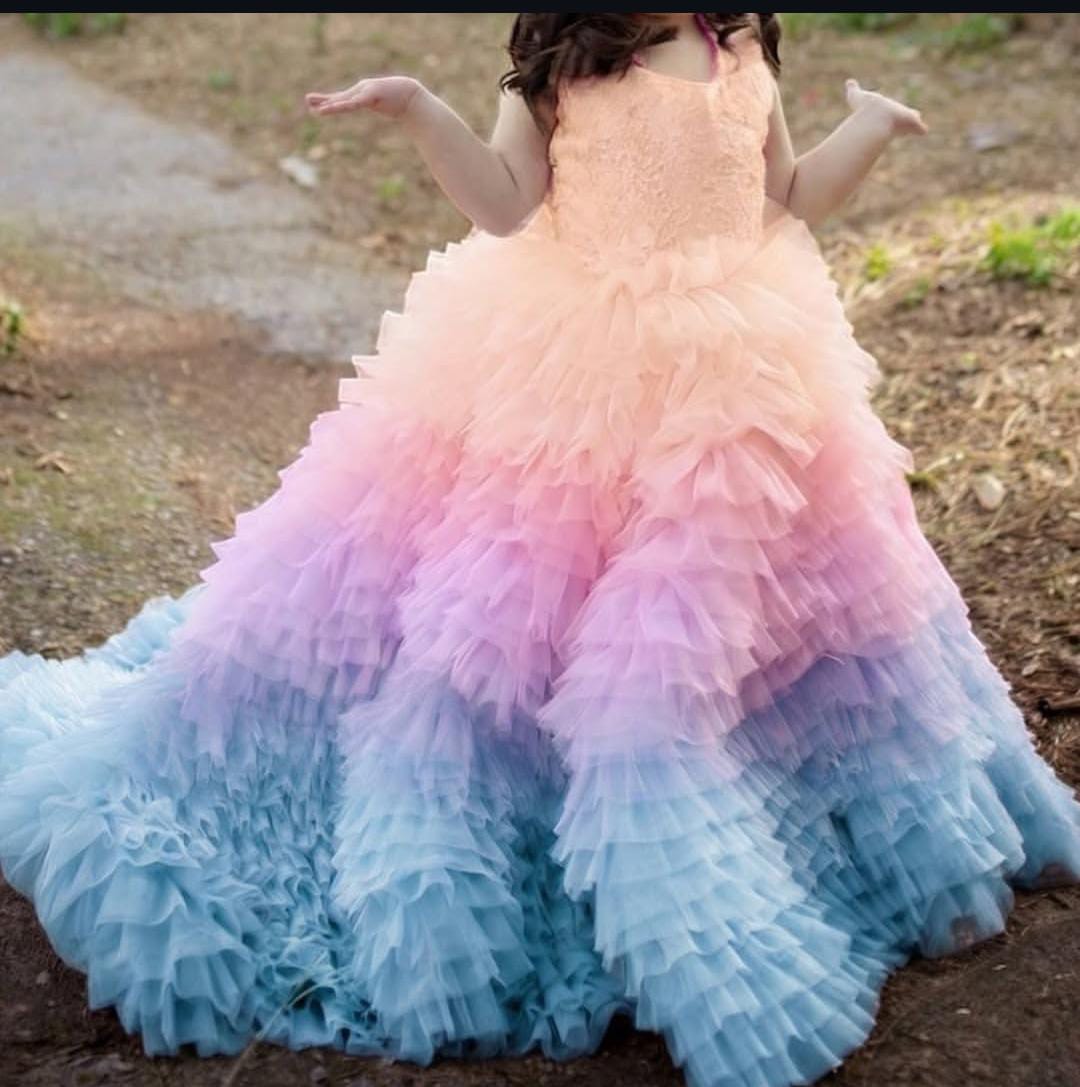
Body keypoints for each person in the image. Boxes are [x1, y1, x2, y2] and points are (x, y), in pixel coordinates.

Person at [2, 13, 1078, 1087]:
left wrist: (872, 126)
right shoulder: (567, 64)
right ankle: (592, 824)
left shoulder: (740, 43)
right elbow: (505, 205)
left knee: (747, 613)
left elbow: (789, 189)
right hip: (579, 377)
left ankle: (768, 811)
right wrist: (420, 109)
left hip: (742, 376)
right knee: (536, 623)